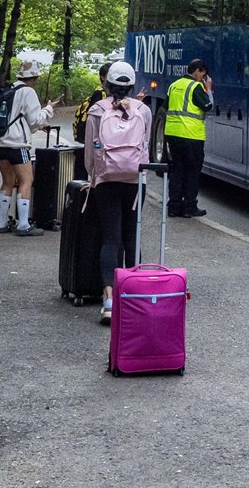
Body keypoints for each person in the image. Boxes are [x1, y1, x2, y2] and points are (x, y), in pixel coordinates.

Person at [83, 62, 152, 324]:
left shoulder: (97, 111)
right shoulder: (143, 110)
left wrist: (95, 174)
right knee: (132, 238)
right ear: (132, 86)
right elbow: (145, 146)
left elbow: (90, 153)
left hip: (105, 181)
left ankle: (109, 300)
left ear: (106, 84)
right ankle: (134, 298)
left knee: (110, 239)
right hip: (136, 182)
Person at [0, 59, 61, 236]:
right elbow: (34, 120)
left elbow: (20, 119)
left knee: (7, 182)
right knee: (26, 180)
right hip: (17, 144)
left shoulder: (9, 88)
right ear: (34, 77)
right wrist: (49, 109)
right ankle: (23, 225)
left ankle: (1, 223)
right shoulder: (28, 92)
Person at [164, 58, 214, 217]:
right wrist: (209, 91)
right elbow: (207, 106)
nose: (203, 78)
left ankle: (173, 207)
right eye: (203, 74)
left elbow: (166, 107)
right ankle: (189, 207)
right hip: (191, 136)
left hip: (172, 134)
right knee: (192, 172)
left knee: (177, 170)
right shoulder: (196, 86)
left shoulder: (174, 85)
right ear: (197, 71)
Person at [71, 61, 113, 183]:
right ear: (103, 77)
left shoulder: (106, 93)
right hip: (97, 138)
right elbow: (93, 115)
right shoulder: (99, 93)